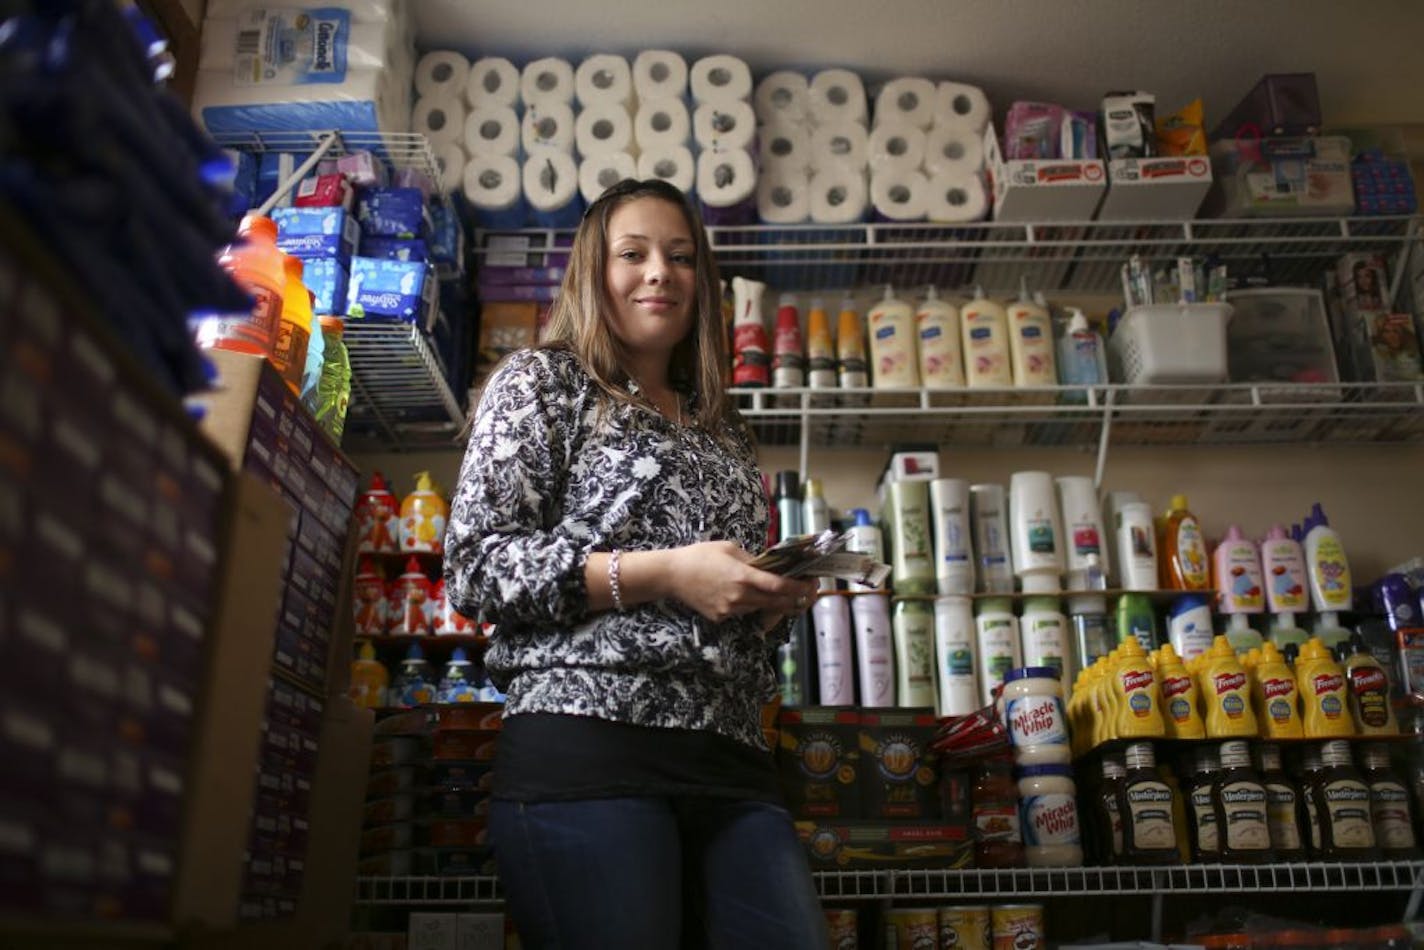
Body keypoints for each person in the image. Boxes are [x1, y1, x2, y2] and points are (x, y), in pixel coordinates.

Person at [444, 178, 826, 949]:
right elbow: (478, 567)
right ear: (595, 269)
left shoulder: (723, 426)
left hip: (731, 757)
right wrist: (666, 572)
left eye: (681, 257)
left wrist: (767, 602)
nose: (661, 272)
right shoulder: (540, 383)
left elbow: (719, 605)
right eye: (635, 253)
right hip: (588, 750)